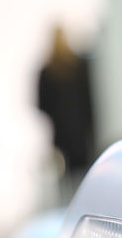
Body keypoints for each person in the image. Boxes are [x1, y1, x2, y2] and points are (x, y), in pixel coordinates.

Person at [37, 25, 97, 202]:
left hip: (62, 134)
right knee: (84, 175)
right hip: (80, 133)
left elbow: (41, 105)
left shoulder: (47, 70)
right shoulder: (79, 67)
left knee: (67, 180)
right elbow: (89, 101)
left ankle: (72, 209)